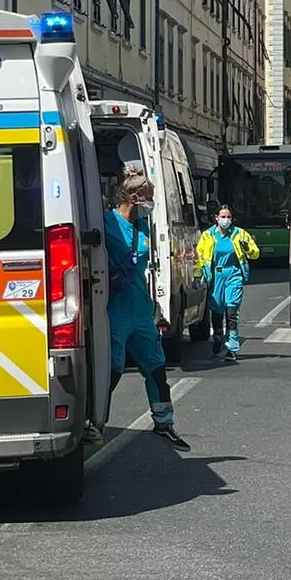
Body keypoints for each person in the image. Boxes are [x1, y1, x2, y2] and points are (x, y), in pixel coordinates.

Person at [103, 167, 187, 448]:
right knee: (113, 369)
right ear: (135, 197)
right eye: (148, 197)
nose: (152, 203)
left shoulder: (142, 227)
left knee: (156, 364)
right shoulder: (106, 223)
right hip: (115, 308)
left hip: (140, 308)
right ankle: (94, 423)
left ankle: (164, 422)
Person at [196, 205, 259, 361]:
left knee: (232, 310)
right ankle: (218, 339)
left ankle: (232, 346)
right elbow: (200, 257)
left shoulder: (240, 234)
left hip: (234, 275)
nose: (226, 220)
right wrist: (198, 276)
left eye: (228, 217)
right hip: (216, 275)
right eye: (223, 217)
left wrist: (247, 249)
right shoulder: (208, 236)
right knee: (217, 310)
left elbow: (255, 253)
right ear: (216, 218)